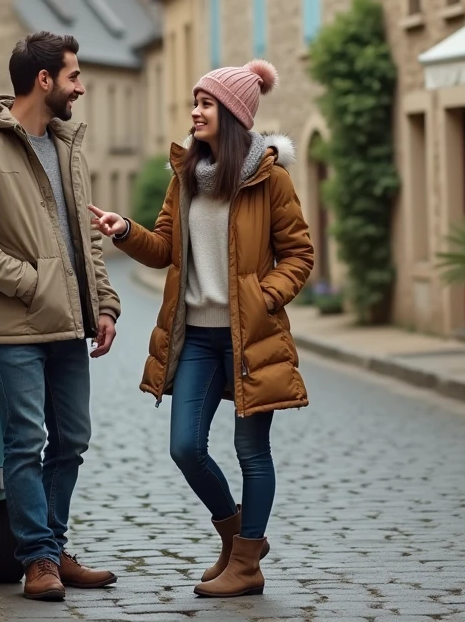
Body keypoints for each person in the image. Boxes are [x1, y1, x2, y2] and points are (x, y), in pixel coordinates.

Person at [89, 59, 314, 598]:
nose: (194, 110)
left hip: (250, 336)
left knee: (251, 452)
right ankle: (241, 542)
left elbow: (299, 255)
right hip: (197, 336)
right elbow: (166, 246)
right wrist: (124, 231)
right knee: (186, 446)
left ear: (232, 115)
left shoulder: (270, 180)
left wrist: (266, 295)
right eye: (195, 101)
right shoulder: (185, 177)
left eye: (206, 102)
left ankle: (246, 563)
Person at [0, 31, 121, 602]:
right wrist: (32, 284)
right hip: (12, 326)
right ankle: (38, 559)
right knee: (25, 441)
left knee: (72, 437)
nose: (81, 87)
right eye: (73, 76)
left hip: (68, 324)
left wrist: (106, 303)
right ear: (43, 81)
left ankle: (54, 545)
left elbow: (85, 241)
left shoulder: (69, 149)